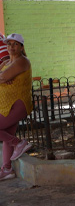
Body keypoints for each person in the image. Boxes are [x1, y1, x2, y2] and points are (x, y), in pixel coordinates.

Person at [0, 33, 33, 181]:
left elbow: (3, 77)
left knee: (9, 137)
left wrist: (4, 77)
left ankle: (19, 143)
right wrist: (3, 77)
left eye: (15, 44)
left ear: (21, 47)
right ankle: (7, 169)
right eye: (9, 44)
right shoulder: (6, 62)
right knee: (7, 134)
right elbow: (3, 76)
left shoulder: (22, 61)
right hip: (6, 105)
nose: (11, 47)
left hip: (17, 104)